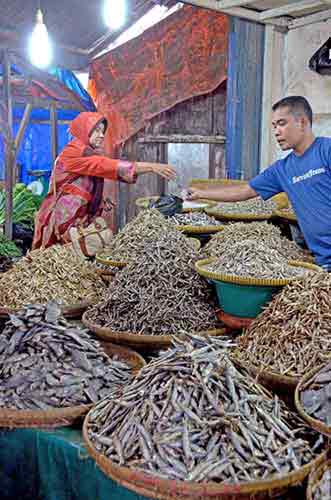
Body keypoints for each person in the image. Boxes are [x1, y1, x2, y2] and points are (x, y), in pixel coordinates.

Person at [187, 96, 331, 270]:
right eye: (274, 126)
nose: (277, 131)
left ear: (302, 122)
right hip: (324, 261)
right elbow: (245, 190)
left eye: (282, 123)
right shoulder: (282, 169)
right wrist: (202, 193)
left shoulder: (326, 151)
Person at [33, 112, 176, 249]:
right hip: (62, 221)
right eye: (96, 131)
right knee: (61, 261)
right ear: (84, 131)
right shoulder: (75, 153)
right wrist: (151, 166)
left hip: (75, 219)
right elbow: (105, 165)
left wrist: (99, 202)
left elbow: (82, 183)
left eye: (102, 131)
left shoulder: (85, 151)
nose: (101, 136)